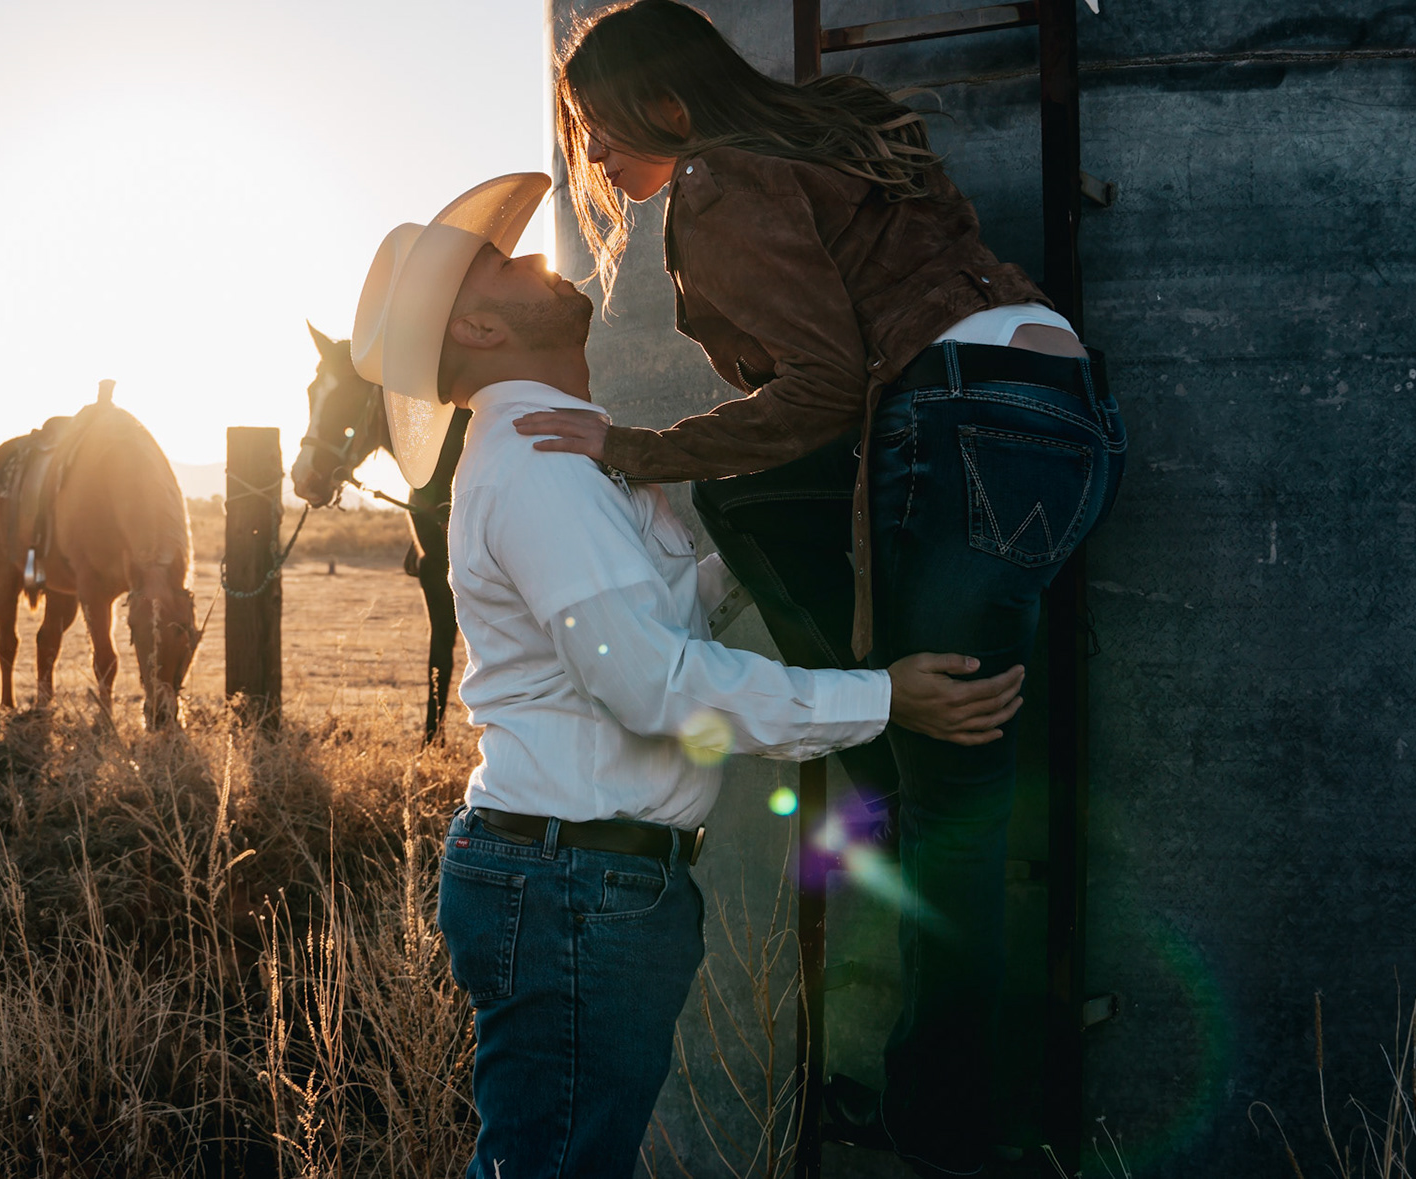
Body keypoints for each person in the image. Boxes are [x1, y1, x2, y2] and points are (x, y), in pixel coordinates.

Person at [511, 3, 1127, 1174]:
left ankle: (937, 1130)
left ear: (669, 103)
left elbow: (823, 386)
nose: (594, 155)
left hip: (958, 420)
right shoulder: (835, 129)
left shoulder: (717, 180)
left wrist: (633, 447)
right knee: (963, 777)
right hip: (1065, 417)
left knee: (946, 801)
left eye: (601, 126)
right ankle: (878, 750)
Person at [350, 172, 1027, 1179]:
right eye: (501, 264)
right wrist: (887, 698)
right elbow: (655, 685)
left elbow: (649, 621)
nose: (535, 257)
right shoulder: (537, 466)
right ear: (479, 331)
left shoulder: (559, 452)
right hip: (575, 889)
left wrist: (772, 532)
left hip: (583, 880)